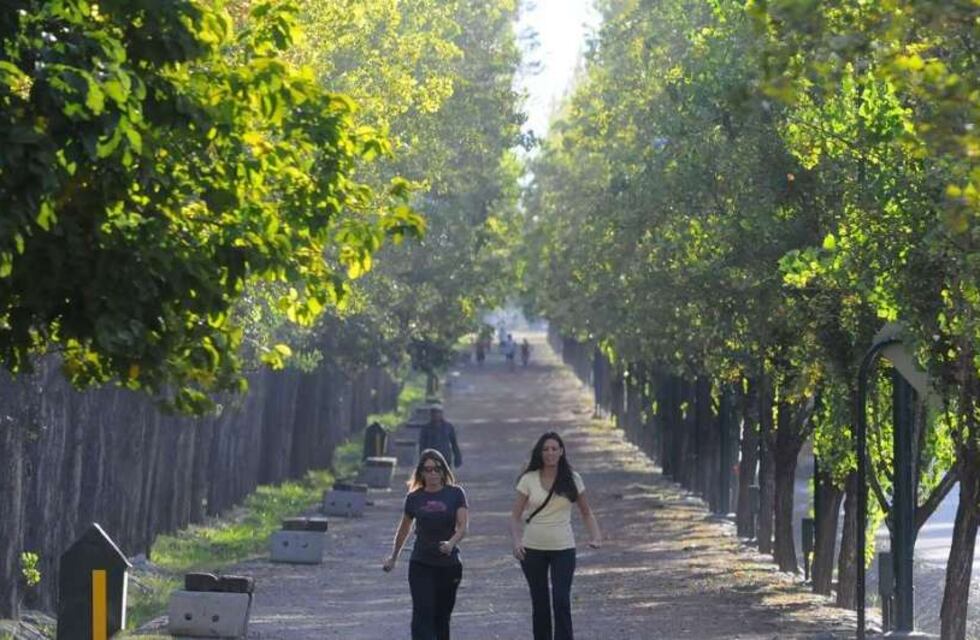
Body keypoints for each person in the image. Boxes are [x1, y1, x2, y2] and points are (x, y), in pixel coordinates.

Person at [509, 432, 601, 640]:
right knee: (540, 603)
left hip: (563, 548)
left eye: (554, 449)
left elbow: (586, 512)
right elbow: (514, 517)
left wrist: (596, 536)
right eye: (545, 449)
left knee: (561, 600)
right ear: (540, 453)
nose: (550, 453)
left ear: (561, 452)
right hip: (532, 549)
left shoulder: (573, 479)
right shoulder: (528, 479)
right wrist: (516, 542)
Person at [384, 449, 469, 640]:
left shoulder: (455, 494)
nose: (432, 474)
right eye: (428, 469)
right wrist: (394, 557)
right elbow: (404, 529)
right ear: (421, 472)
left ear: (443, 471)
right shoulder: (414, 498)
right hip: (421, 563)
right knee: (423, 613)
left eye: (437, 469)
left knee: (441, 617)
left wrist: (451, 543)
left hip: (449, 565)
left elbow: (463, 527)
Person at [418, 403, 462, 468]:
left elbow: (454, 443)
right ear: (431, 414)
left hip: (445, 458)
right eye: (434, 413)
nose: (436, 415)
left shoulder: (448, 427)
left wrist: (457, 458)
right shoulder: (426, 428)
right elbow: (422, 445)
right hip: (431, 459)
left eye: (438, 412)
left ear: (441, 414)